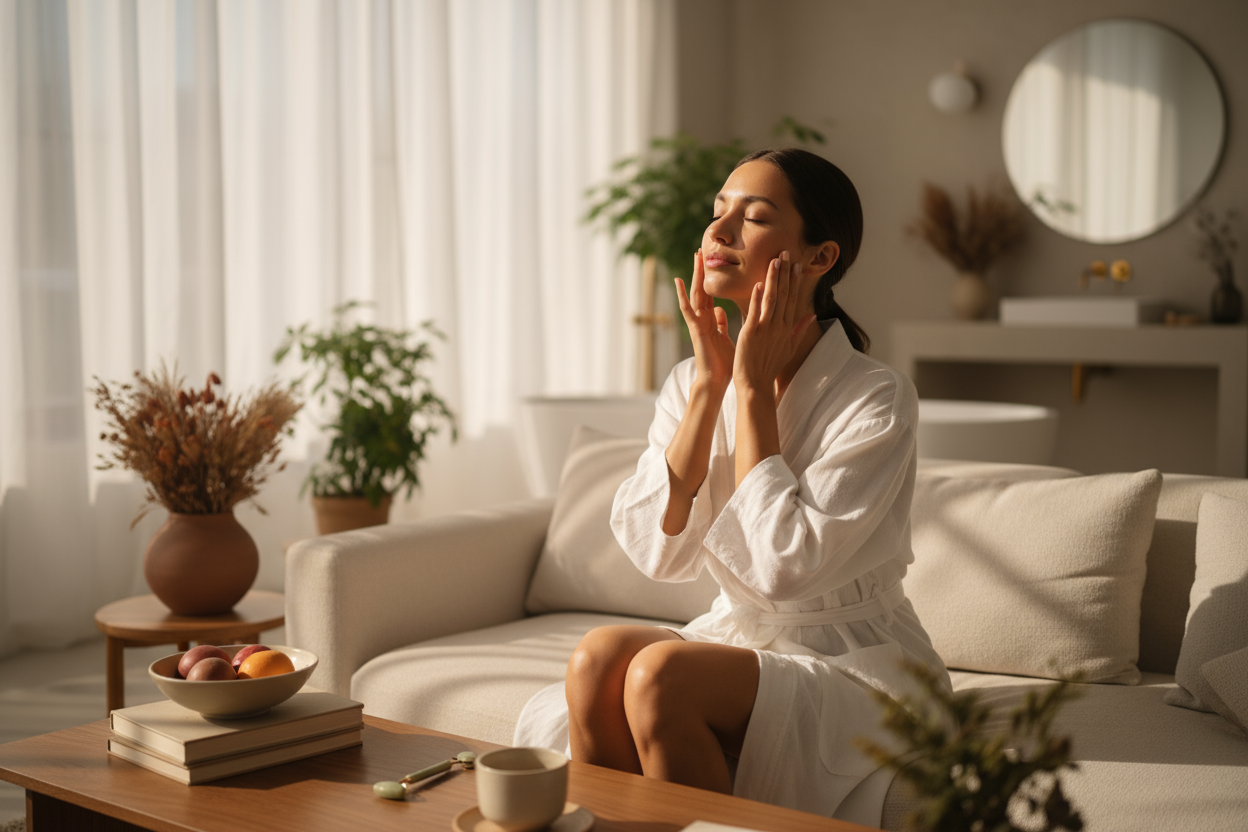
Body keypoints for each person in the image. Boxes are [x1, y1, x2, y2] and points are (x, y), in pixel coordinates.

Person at [514, 148, 949, 825]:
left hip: (853, 661)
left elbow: (784, 567)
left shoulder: (877, 397)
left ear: (819, 256)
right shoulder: (693, 381)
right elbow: (660, 556)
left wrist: (749, 394)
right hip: (740, 640)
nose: (718, 233)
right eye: (718, 213)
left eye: (753, 218)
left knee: (660, 675)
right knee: (596, 660)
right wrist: (711, 386)